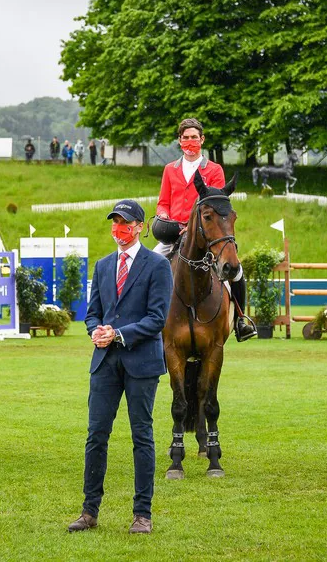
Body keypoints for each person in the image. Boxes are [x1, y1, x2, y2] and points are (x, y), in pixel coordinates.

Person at [68, 200, 172, 535]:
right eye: (114, 223)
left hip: (142, 363)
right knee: (96, 435)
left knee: (142, 436)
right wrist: (95, 330)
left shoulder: (157, 266)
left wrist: (119, 334)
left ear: (140, 226)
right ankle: (89, 511)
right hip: (104, 363)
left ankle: (143, 514)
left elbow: (157, 319)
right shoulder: (102, 265)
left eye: (125, 223)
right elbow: (92, 312)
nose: (119, 229)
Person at [153, 118, 256, 341]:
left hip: (205, 233)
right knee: (148, 265)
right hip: (173, 233)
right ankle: (143, 319)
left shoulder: (214, 170)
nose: (190, 141)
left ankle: (240, 320)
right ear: (180, 141)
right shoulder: (170, 170)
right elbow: (163, 202)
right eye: (186, 138)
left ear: (202, 139)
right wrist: (163, 215)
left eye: (194, 138)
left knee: (236, 271)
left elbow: (217, 204)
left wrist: (196, 226)